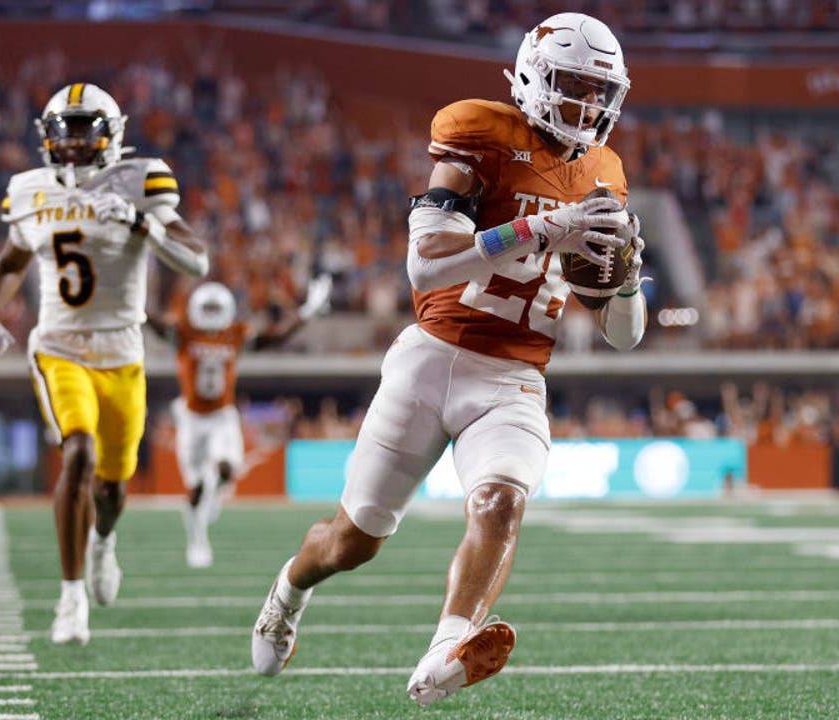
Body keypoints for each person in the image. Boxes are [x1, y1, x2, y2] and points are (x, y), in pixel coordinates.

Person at [250, 12, 646, 707]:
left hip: (516, 376)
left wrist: (628, 278)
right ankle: (287, 590)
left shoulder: (606, 172)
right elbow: (425, 267)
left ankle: (445, 649)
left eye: (598, 91)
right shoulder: (479, 133)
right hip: (433, 358)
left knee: (501, 502)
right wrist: (540, 227)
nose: (587, 106)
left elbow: (625, 335)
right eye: (573, 86)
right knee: (352, 541)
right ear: (533, 77)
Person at [0, 82, 209, 645]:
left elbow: (196, 260)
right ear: (47, 137)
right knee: (77, 452)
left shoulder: (142, 179)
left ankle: (104, 541)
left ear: (111, 134)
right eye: (65, 131)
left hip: (123, 351)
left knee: (113, 485)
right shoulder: (28, 191)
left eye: (85, 130)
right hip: (58, 345)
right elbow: (11, 259)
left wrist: (140, 223)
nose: (74, 144)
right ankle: (70, 597)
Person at [147, 276, 332, 568]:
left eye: (213, 309)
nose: (209, 315)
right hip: (191, 417)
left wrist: (308, 312)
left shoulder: (234, 334)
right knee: (194, 488)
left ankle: (215, 492)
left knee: (226, 469)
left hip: (221, 415)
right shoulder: (183, 332)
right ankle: (197, 538)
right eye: (205, 309)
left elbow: (276, 337)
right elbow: (152, 322)